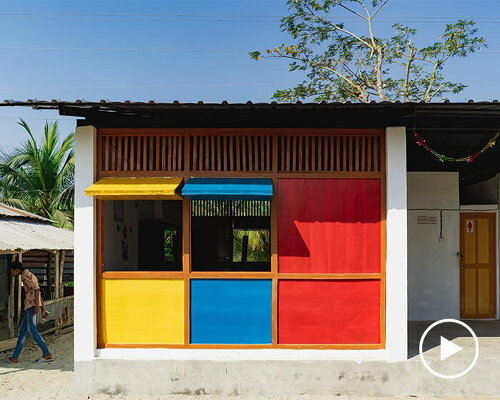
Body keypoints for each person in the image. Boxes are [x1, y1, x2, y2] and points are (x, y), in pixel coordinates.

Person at [6, 261, 54, 363]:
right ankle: (15, 357)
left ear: (16, 270)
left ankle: (47, 353)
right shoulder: (30, 274)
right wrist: (42, 308)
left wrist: (37, 307)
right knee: (22, 331)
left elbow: (36, 290)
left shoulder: (25, 276)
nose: (11, 273)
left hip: (31, 306)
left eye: (11, 271)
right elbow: (38, 291)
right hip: (32, 306)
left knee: (32, 330)